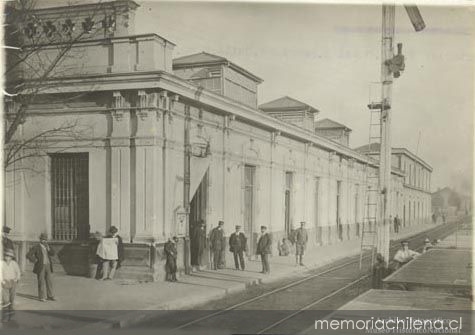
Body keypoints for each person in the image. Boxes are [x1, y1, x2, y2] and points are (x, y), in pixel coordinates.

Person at [26, 233, 55, 302]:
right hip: (40, 266)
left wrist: (49, 249)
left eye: (46, 240)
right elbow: (28, 255)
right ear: (40, 240)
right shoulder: (36, 247)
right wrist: (35, 260)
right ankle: (42, 297)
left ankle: (50, 296)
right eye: (43, 240)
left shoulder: (48, 246)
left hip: (48, 265)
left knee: (49, 281)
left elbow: (53, 253)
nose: (45, 241)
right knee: (41, 281)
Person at [2, 249, 20, 322]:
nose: (7, 257)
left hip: (13, 282)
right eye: (6, 255)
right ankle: (5, 316)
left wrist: (16, 279)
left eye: (9, 256)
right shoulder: (1, 263)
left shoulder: (14, 263)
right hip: (4, 282)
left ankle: (11, 315)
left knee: (12, 299)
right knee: (6, 300)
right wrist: (2, 280)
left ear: (12, 257)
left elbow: (18, 272)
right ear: (4, 256)